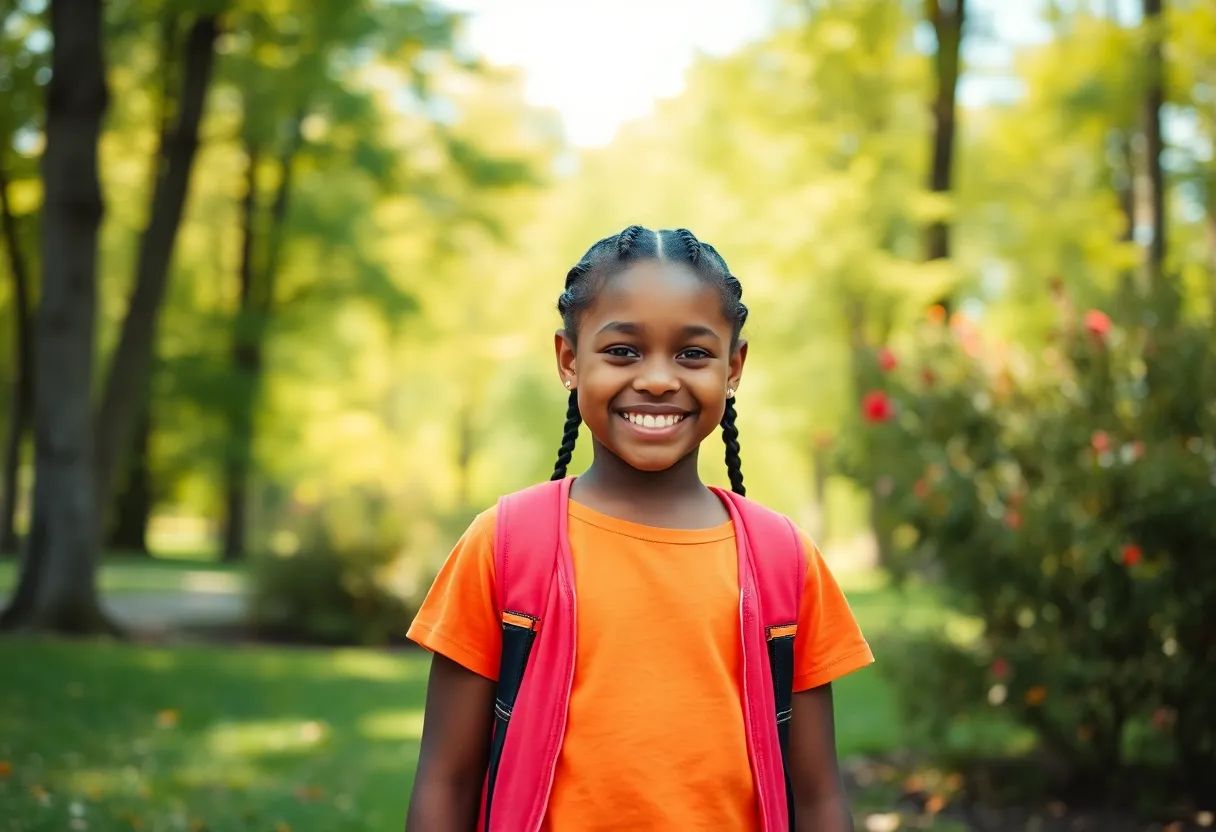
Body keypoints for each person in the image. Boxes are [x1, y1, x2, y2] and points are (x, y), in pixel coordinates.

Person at [405, 225, 874, 831]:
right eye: (623, 351)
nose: (657, 378)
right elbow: (446, 780)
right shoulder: (504, 543)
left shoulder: (785, 560)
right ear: (570, 360)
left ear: (734, 367)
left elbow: (818, 798)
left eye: (693, 353)